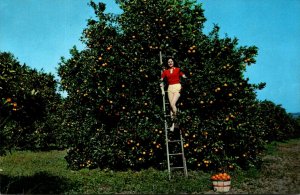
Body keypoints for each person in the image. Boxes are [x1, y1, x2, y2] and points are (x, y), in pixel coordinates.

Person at [160, 57, 187, 131]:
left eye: (171, 61)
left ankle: (178, 120)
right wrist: (162, 90)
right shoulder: (165, 71)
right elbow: (161, 81)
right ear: (167, 64)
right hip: (170, 88)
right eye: (169, 62)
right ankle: (173, 124)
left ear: (173, 62)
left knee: (172, 104)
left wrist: (186, 79)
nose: (170, 63)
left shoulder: (178, 69)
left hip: (177, 87)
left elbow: (184, 76)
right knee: (171, 108)